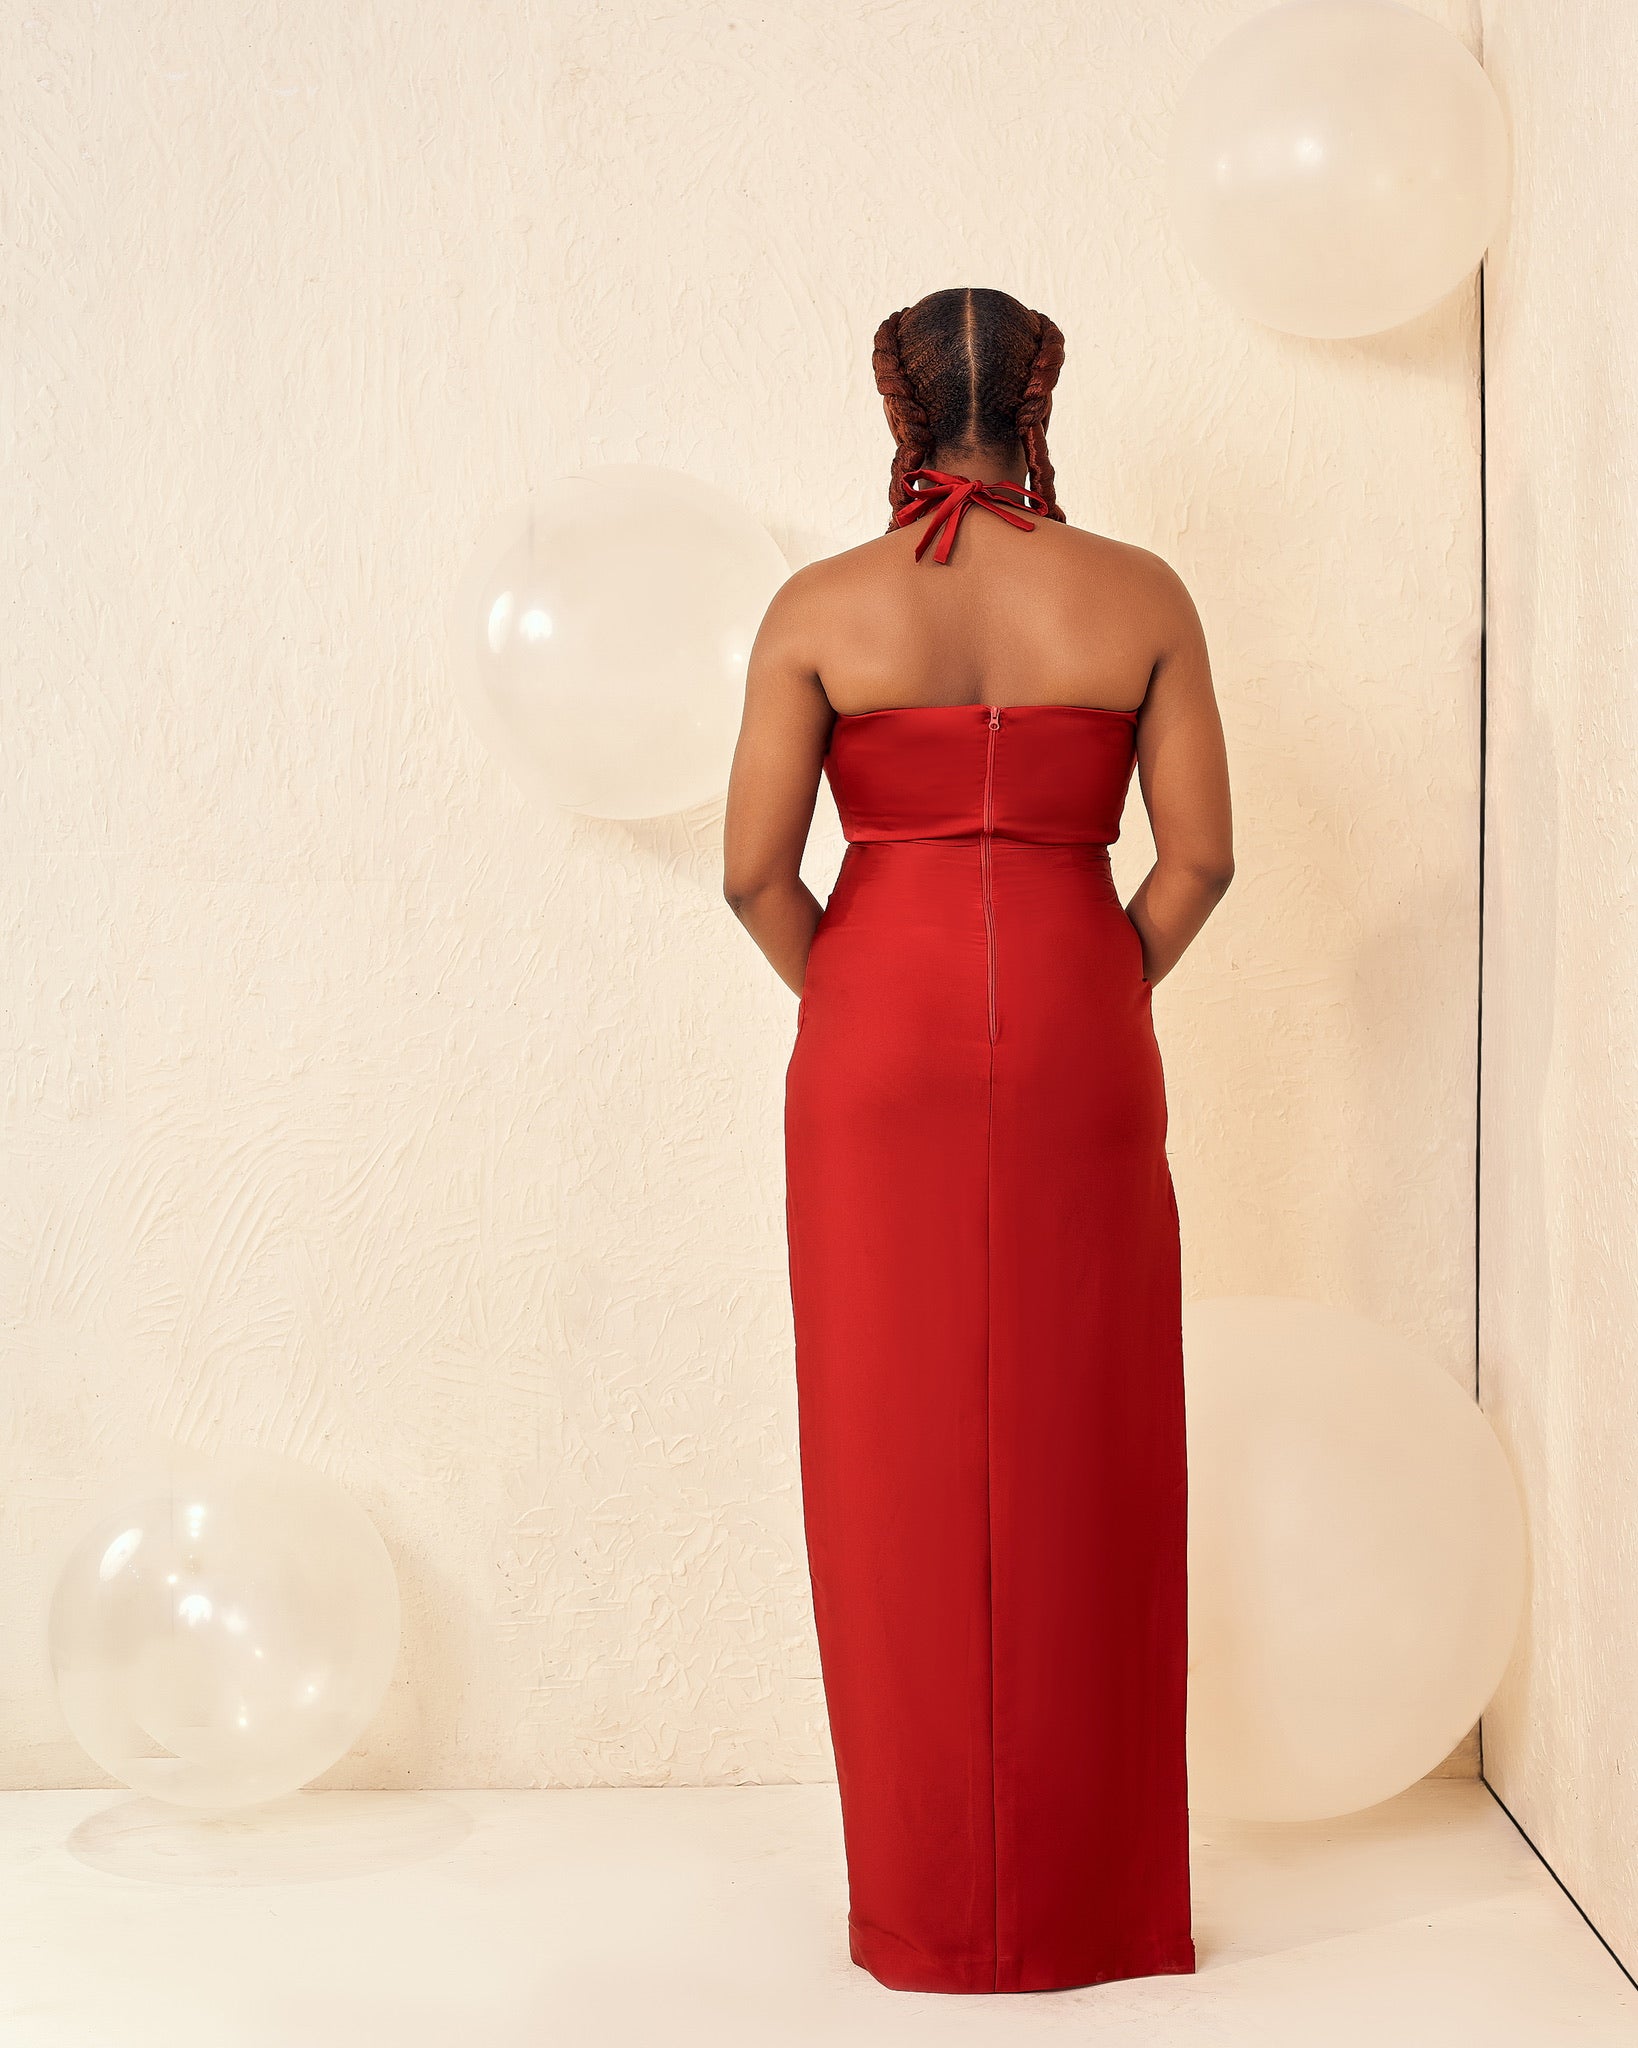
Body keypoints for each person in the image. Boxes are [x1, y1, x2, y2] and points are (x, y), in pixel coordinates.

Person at [722, 286, 1234, 1995]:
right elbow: (1198, 862)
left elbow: (748, 874)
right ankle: (1095, 1914)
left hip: (873, 1036)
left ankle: (924, 1915)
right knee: (1090, 1435)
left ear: (894, 410)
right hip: (1082, 1025)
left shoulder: (818, 607)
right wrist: (1096, 977)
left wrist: (853, 992)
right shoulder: (1142, 597)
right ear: (1037, 403)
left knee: (890, 1450)